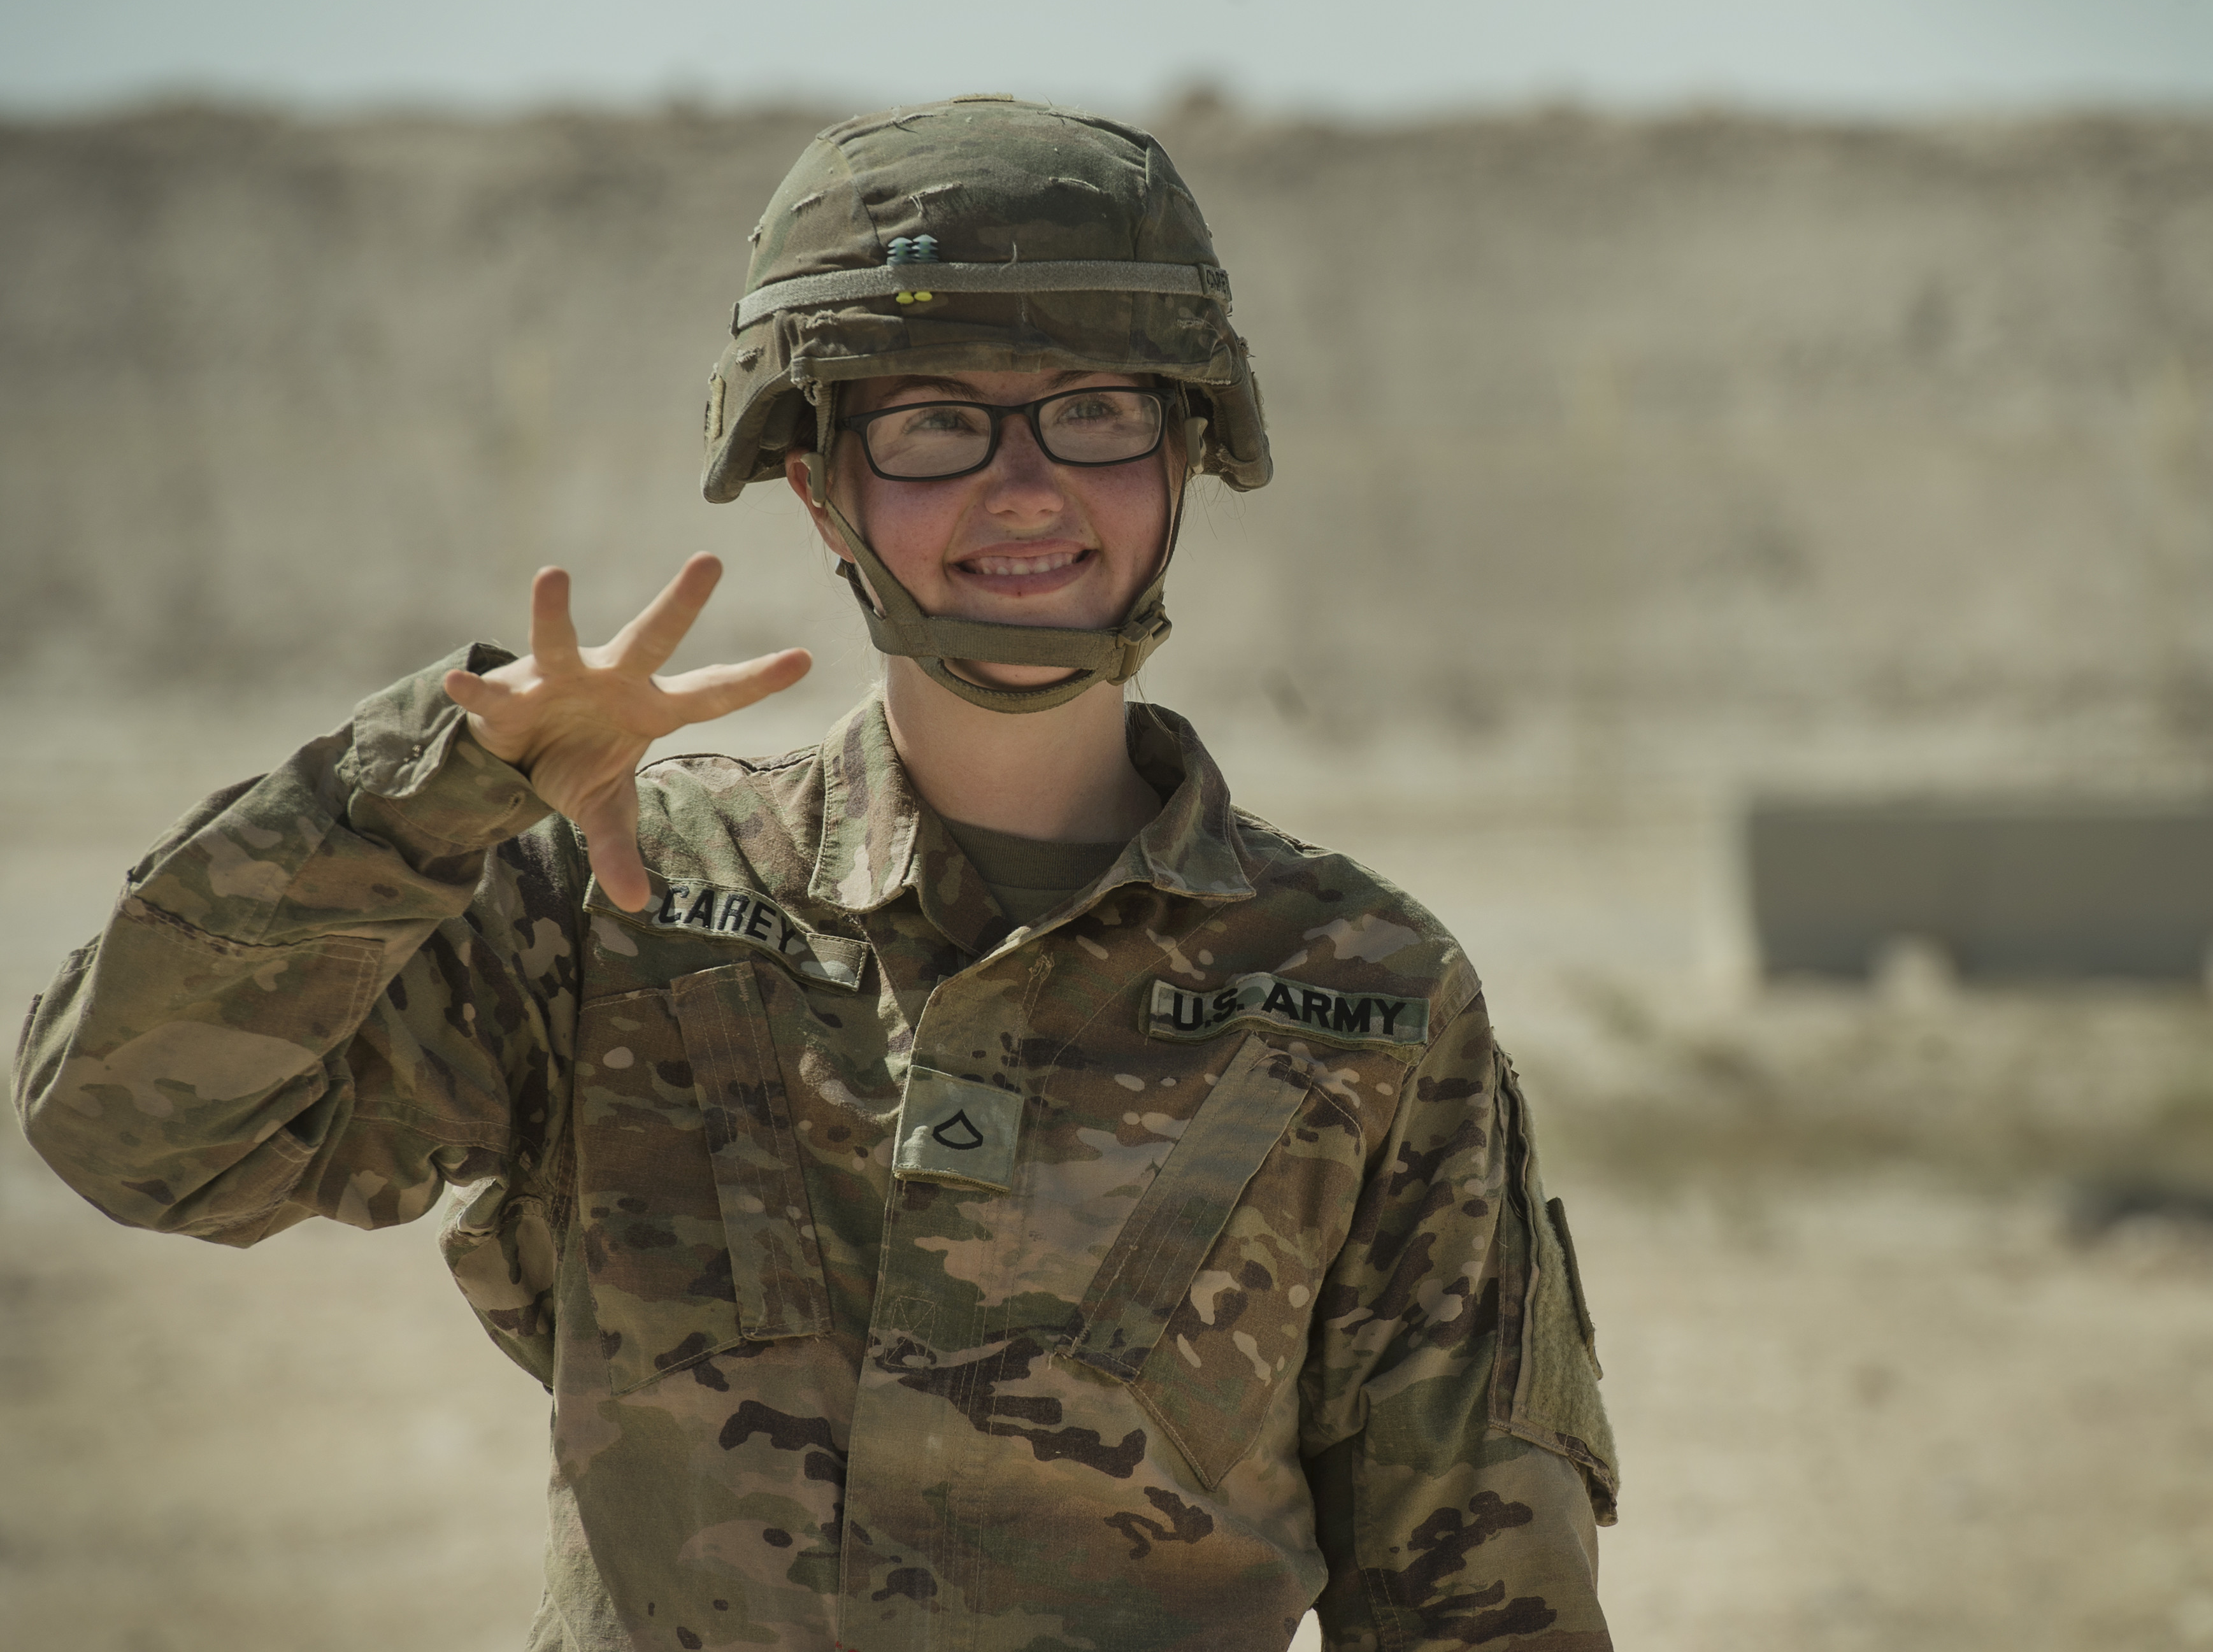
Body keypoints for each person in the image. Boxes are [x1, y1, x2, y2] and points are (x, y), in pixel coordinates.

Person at [14, 96, 1615, 1652]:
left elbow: (1478, 1599)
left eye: (1097, 411)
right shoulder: (619, 901)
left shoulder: (1361, 992)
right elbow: (135, 1135)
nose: (1026, 484)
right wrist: (436, 795)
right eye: (933, 422)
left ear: (1185, 451)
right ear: (818, 482)